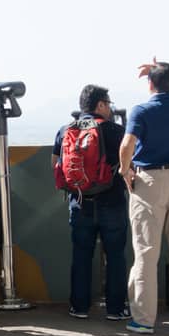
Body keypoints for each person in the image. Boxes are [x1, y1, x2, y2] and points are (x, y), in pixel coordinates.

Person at [120, 60, 169, 336]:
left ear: (149, 84)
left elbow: (127, 144)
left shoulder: (141, 110)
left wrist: (124, 170)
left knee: (146, 252)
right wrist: (164, 69)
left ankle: (143, 319)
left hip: (150, 181)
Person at [52, 85, 130, 321]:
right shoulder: (116, 131)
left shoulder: (66, 130)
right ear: (101, 105)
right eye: (108, 103)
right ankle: (116, 309)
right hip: (112, 201)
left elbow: (56, 165)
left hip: (79, 202)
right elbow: (128, 162)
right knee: (115, 255)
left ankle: (79, 307)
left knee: (81, 254)